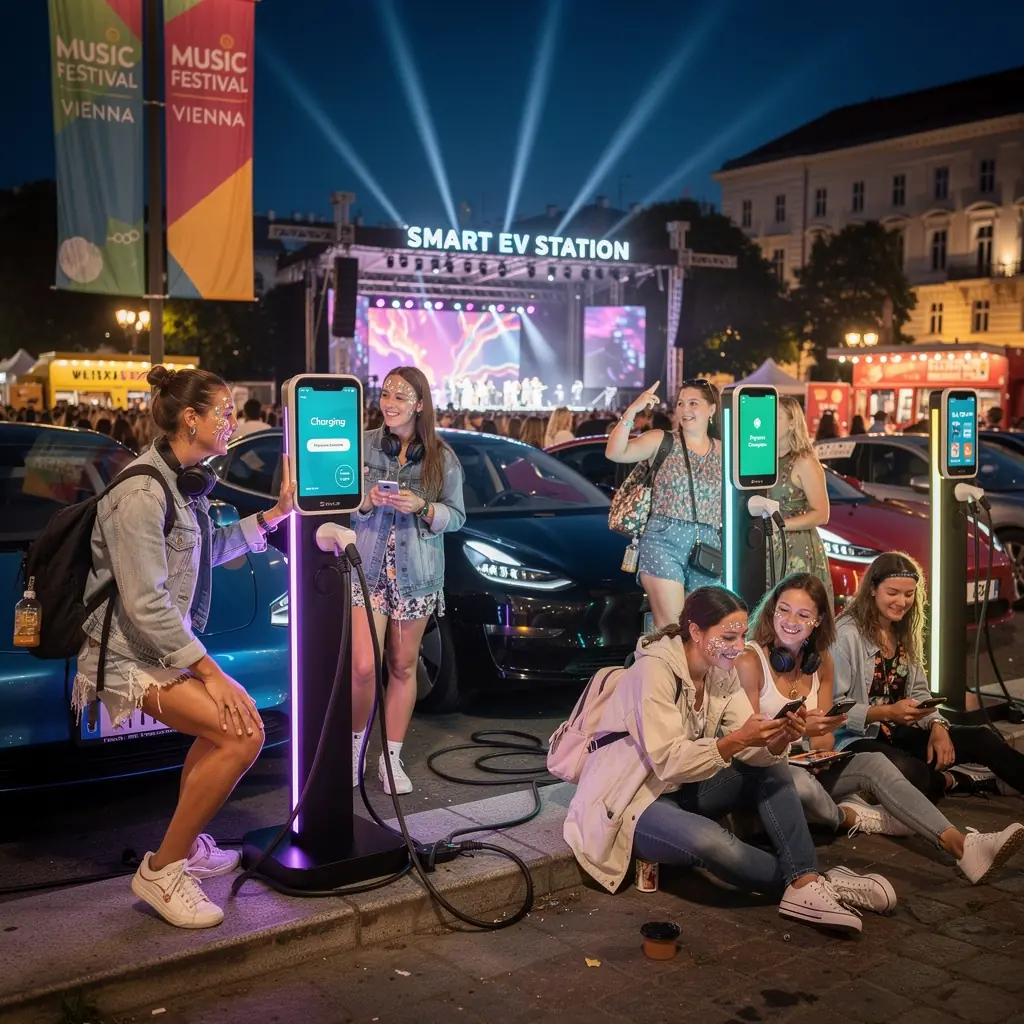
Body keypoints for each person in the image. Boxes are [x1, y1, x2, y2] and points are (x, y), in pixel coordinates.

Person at [71, 367, 295, 928]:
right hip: (126, 656)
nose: (233, 421)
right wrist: (211, 672)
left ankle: (186, 847)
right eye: (225, 411)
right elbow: (146, 604)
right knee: (244, 732)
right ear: (191, 418)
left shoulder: (182, 482)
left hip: (158, 651)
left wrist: (274, 515)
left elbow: (206, 550)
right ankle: (161, 871)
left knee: (226, 731)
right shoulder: (142, 492)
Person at [563, 586, 887, 933]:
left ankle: (805, 881)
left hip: (684, 785)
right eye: (729, 637)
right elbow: (669, 761)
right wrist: (737, 740)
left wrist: (780, 736)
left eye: (742, 635)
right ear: (695, 631)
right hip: (633, 800)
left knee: (775, 768)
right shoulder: (653, 672)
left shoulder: (721, 670)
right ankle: (815, 883)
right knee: (712, 842)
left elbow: (750, 747)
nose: (738, 646)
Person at [738, 574, 1024, 885]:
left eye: (803, 614)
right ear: (772, 610)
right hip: (765, 769)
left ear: (818, 620)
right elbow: (747, 743)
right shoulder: (751, 660)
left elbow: (824, 740)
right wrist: (801, 731)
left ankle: (963, 847)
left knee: (876, 763)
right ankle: (854, 817)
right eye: (783, 610)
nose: (790, 621)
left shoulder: (821, 661)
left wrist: (818, 746)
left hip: (806, 765)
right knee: (804, 785)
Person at [350, 366, 466, 795]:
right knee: (364, 667)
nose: (390, 402)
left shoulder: (441, 457)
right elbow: (337, 504)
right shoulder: (362, 446)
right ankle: (355, 749)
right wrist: (365, 501)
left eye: (401, 396)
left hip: (416, 577)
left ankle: (391, 757)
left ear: (419, 404)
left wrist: (423, 506)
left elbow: (457, 516)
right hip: (367, 572)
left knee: (402, 666)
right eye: (386, 393)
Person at [833, 552, 1024, 805]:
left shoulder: (903, 629)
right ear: (872, 589)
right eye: (893, 593)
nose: (902, 602)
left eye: (909, 594)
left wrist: (937, 726)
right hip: (856, 738)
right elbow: (835, 710)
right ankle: (958, 781)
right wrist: (888, 712)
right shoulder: (846, 634)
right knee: (904, 769)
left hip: (899, 733)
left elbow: (920, 693)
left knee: (981, 737)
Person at [606, 379, 723, 629]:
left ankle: (657, 654)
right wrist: (632, 411)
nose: (685, 409)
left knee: (702, 628)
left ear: (712, 409)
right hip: (663, 540)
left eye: (693, 403)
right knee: (672, 625)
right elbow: (615, 453)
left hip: (707, 546)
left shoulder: (724, 452)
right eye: (680, 403)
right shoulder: (661, 440)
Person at [771, 396, 834, 606]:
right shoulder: (762, 460)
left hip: (795, 547)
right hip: (767, 545)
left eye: (777, 417)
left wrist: (782, 524)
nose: (770, 422)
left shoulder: (804, 461)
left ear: (792, 423)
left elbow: (822, 514)